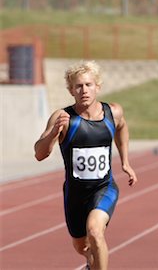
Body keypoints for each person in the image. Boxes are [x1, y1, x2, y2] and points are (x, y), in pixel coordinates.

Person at [34, 60, 137, 270]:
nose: (84, 90)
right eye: (78, 86)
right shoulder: (63, 117)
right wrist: (53, 134)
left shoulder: (113, 112)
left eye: (89, 85)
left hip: (103, 188)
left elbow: (122, 127)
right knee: (82, 246)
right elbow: (39, 154)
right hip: (75, 193)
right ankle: (91, 262)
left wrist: (125, 161)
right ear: (71, 90)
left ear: (98, 87)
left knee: (95, 231)